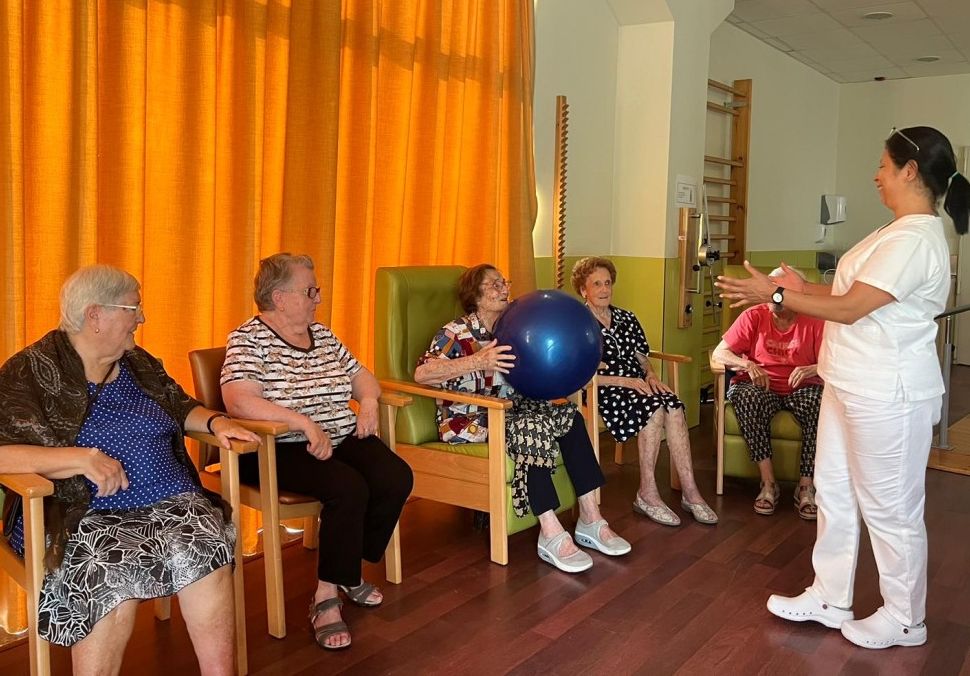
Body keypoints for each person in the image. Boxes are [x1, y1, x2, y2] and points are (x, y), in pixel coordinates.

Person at [717, 125, 970, 650]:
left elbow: (853, 308)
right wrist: (790, 287)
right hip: (846, 383)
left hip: (887, 393)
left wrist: (778, 297)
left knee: (890, 508)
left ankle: (905, 618)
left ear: (909, 170)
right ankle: (831, 597)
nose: (876, 175)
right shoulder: (893, 231)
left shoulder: (915, 239)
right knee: (833, 492)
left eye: (883, 165)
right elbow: (847, 290)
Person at [0, 265, 259, 676]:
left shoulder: (136, 362)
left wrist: (216, 422)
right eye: (133, 307)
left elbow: (179, 405)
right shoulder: (31, 369)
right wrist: (80, 458)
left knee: (205, 541)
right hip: (80, 512)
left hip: (169, 499)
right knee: (111, 569)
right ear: (95, 315)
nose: (141, 317)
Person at [220, 253, 413, 651]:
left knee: (396, 478)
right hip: (278, 448)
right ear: (279, 298)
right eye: (310, 291)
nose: (318, 299)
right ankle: (326, 596)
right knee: (349, 488)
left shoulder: (322, 335)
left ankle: (347, 569)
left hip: (339, 436)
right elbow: (238, 400)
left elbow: (361, 376)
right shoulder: (248, 339)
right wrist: (302, 423)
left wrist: (369, 402)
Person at [414, 263, 631, 574]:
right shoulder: (456, 333)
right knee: (532, 425)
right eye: (495, 284)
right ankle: (550, 531)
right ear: (475, 296)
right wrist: (478, 360)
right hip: (468, 419)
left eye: (505, 282)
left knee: (570, 416)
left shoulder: (516, 324)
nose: (505, 288)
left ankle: (590, 518)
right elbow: (423, 373)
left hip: (513, 410)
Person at [572, 256, 717, 526]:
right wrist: (625, 382)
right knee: (653, 409)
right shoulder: (577, 324)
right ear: (583, 290)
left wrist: (650, 374)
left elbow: (641, 355)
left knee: (673, 405)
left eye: (607, 283)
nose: (604, 289)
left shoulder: (626, 317)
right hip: (603, 389)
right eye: (596, 284)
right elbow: (579, 375)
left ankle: (691, 492)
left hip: (638, 385)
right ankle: (647, 493)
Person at [711, 266, 824, 520]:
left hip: (803, 387)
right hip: (761, 386)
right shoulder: (753, 316)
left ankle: (806, 486)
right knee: (745, 396)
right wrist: (747, 365)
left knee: (820, 402)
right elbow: (720, 353)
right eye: (771, 289)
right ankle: (768, 483)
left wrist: (812, 368)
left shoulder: (815, 320)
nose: (775, 296)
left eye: (781, 291)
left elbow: (836, 360)